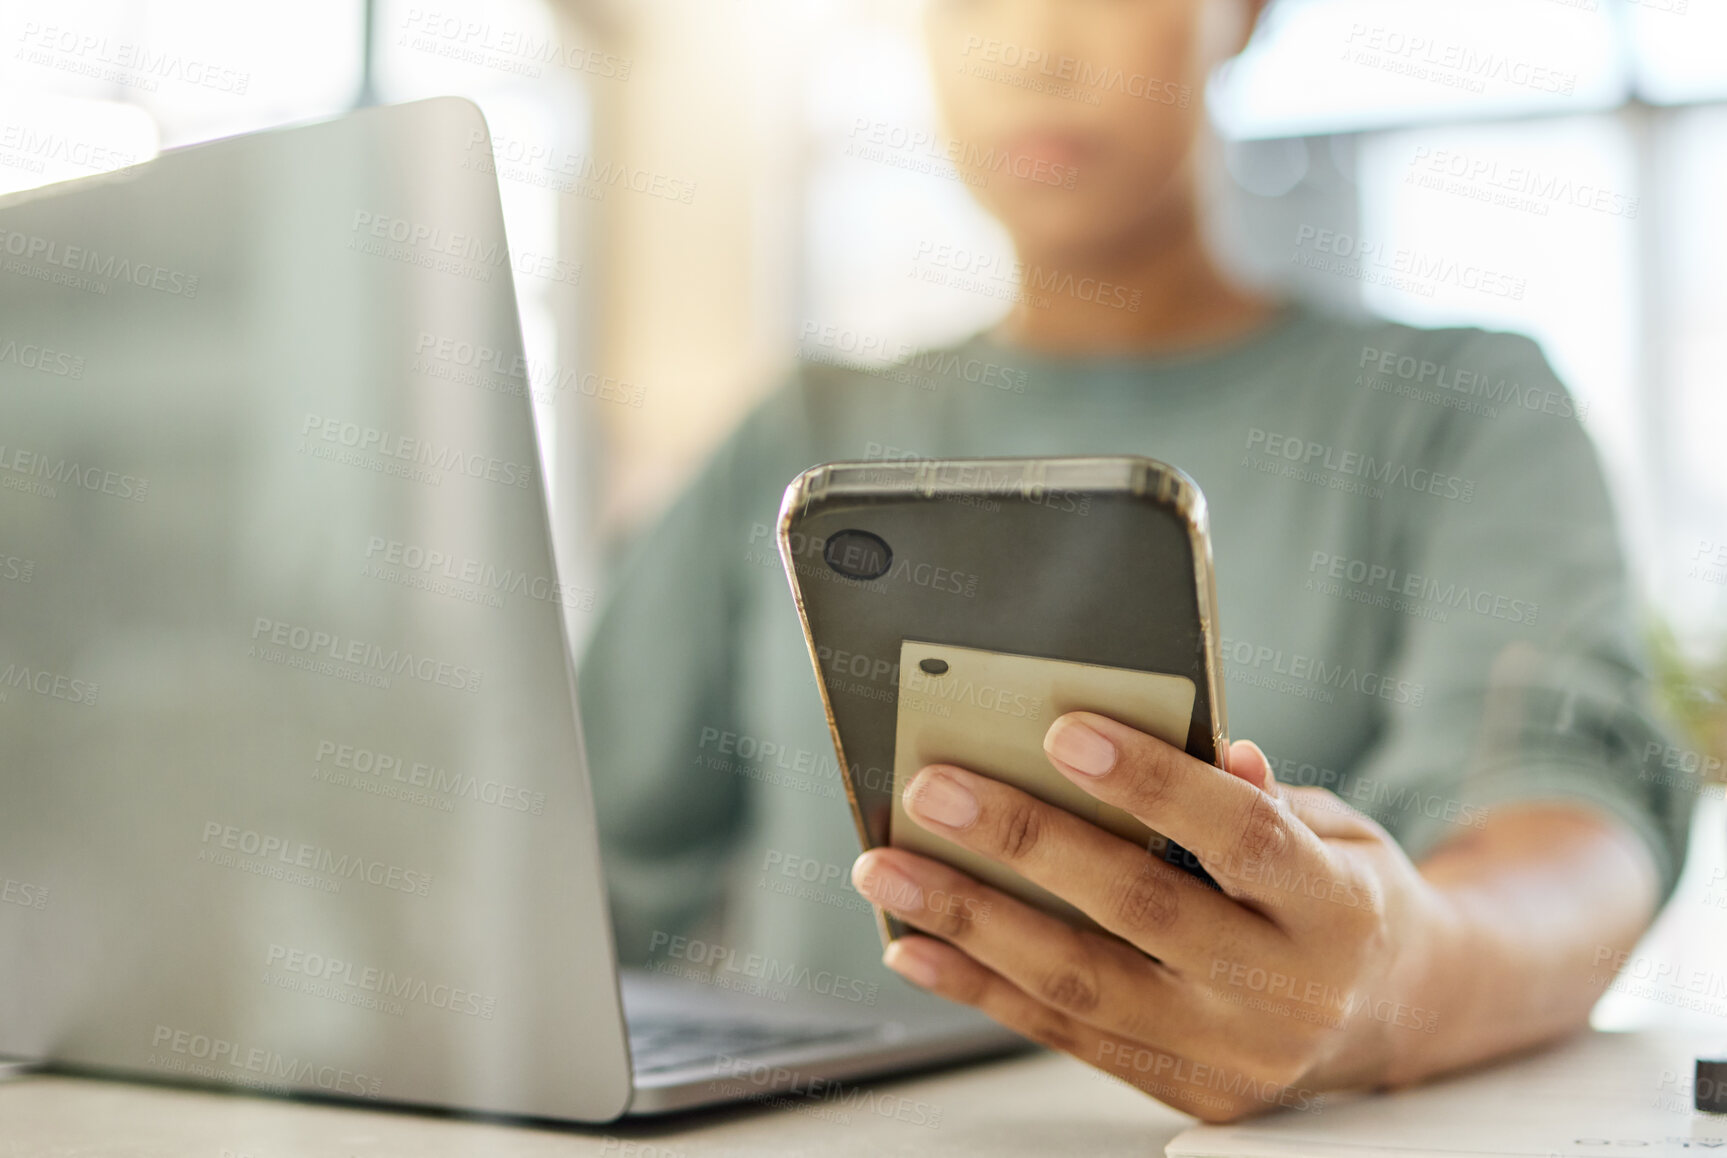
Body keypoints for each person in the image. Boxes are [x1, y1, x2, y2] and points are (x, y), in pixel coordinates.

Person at [577, 0, 1693, 1121]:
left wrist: (1403, 977)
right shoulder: (798, 433)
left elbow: (1568, 826)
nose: (1035, 53)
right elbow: (579, 857)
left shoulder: (1457, 413)